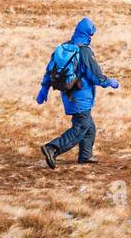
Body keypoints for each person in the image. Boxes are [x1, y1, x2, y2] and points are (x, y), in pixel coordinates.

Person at [37, 17, 119, 168]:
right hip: (81, 96)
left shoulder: (63, 48)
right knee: (81, 126)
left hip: (68, 94)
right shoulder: (84, 51)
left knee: (89, 126)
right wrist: (110, 82)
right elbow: (95, 76)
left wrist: (44, 88)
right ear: (87, 34)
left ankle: (85, 156)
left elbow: (50, 70)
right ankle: (53, 148)